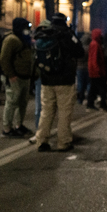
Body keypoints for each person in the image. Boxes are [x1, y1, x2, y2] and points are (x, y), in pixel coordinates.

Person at [34, 13, 85, 152]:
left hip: (46, 79)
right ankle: (63, 142)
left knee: (46, 111)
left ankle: (41, 141)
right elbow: (80, 52)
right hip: (65, 80)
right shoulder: (67, 34)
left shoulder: (46, 34)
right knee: (64, 112)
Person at [0, 17, 34, 138]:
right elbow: (4, 58)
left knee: (23, 102)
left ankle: (19, 125)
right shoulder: (11, 39)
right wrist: (11, 75)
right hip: (15, 77)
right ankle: (7, 128)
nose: (27, 29)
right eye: (25, 27)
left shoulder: (24, 39)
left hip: (25, 76)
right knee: (12, 102)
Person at [87, 28, 107, 111]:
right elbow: (94, 59)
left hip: (94, 71)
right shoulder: (95, 44)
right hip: (97, 71)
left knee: (94, 88)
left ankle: (91, 104)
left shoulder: (94, 43)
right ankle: (102, 104)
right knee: (102, 88)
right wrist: (97, 70)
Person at [76, 32, 91, 104]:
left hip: (79, 68)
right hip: (88, 68)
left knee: (80, 84)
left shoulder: (80, 48)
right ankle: (89, 98)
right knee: (88, 83)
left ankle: (80, 99)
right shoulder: (90, 48)